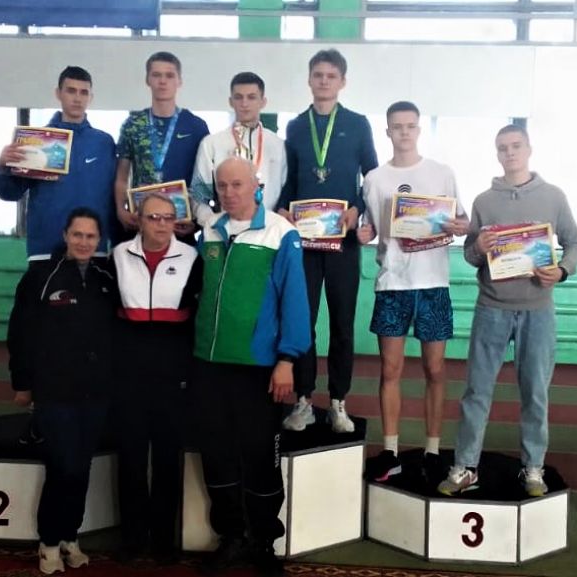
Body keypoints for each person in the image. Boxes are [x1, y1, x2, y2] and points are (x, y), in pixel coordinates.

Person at [438, 125, 577, 498]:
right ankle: (465, 466)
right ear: (497, 153)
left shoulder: (553, 197)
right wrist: (479, 246)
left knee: (535, 393)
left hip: (538, 311)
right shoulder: (484, 201)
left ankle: (533, 468)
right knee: (477, 391)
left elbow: (574, 243)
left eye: (516, 146)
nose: (510, 153)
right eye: (503, 148)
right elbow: (471, 255)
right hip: (492, 309)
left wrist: (562, 270)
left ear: (529, 148)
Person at [192, 157, 311, 575]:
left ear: (256, 185)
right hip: (209, 363)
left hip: (259, 367)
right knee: (217, 453)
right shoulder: (209, 231)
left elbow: (295, 301)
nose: (229, 193)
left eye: (237, 184)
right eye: (222, 186)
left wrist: (286, 360)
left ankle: (263, 540)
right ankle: (231, 537)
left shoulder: (281, 233)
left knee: (261, 454)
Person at [358, 101, 469, 483]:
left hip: (433, 282)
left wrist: (460, 226)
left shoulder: (442, 173)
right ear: (387, 131)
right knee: (390, 369)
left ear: (419, 129)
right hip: (393, 284)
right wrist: (364, 233)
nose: (404, 132)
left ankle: (433, 450)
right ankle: (390, 449)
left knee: (435, 370)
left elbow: (462, 220)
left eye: (410, 126)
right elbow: (370, 228)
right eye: (397, 126)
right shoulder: (374, 179)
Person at [6, 207, 117, 574]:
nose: (84, 242)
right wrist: (22, 383)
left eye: (90, 236)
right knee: (62, 466)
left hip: (95, 394)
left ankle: (71, 535)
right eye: (77, 234)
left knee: (81, 467)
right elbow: (20, 333)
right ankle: (49, 542)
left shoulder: (105, 278)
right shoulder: (40, 277)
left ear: (99, 240)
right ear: (65, 235)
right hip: (54, 392)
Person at [278, 48, 378, 433]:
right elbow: (291, 180)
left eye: (330, 76)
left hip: (343, 242)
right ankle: (303, 399)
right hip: (304, 244)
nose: (323, 81)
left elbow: (372, 178)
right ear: (309, 79)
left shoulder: (358, 124)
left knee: (342, 322)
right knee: (302, 320)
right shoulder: (295, 127)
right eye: (318, 74)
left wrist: (358, 211)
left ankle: (338, 401)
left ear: (342, 82)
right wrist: (284, 208)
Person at [111, 193, 202, 563]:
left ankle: (163, 541)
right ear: (139, 219)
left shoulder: (192, 257)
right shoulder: (118, 255)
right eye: (153, 217)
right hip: (128, 377)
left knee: (167, 459)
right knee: (131, 458)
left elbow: (197, 318)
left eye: (168, 217)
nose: (161, 224)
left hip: (172, 377)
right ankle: (132, 540)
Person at [0, 66, 117, 260]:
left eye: (83, 92)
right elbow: (10, 193)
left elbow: (114, 197)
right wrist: (1, 167)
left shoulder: (104, 143)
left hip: (93, 250)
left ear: (91, 97)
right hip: (45, 250)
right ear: (58, 93)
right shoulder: (37, 142)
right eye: (71, 91)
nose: (77, 98)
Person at [115, 51, 209, 239]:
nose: (162, 81)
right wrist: (120, 210)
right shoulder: (133, 124)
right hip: (142, 222)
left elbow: (203, 180)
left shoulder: (196, 126)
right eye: (156, 75)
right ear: (147, 80)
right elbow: (122, 175)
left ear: (179, 81)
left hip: (180, 223)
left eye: (169, 75)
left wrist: (196, 221)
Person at [190, 71, 287, 226]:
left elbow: (284, 193)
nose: (244, 103)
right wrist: (214, 225)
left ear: (263, 102)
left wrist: (274, 227)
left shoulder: (278, 145)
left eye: (251, 97)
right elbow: (199, 195)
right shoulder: (212, 143)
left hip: (268, 229)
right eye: (238, 97)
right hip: (224, 230)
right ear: (231, 101)